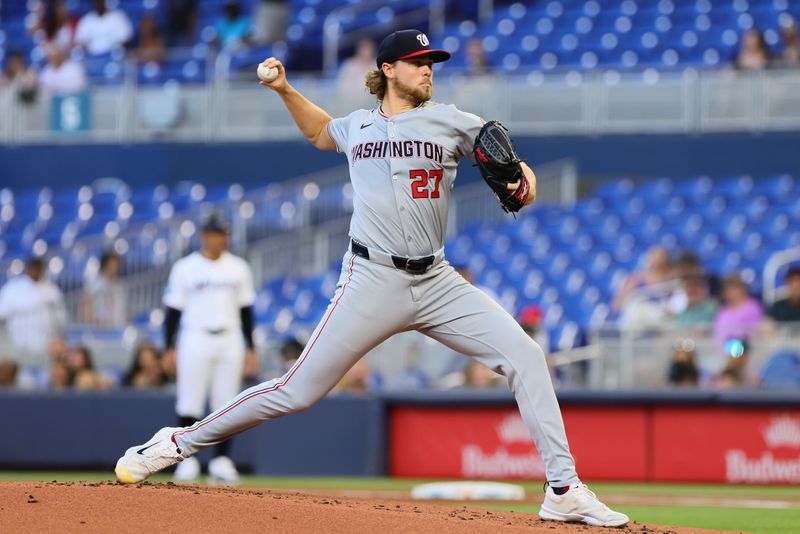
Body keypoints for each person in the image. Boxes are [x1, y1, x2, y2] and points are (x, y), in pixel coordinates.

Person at [115, 29, 628, 528]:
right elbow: (321, 131)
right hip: (371, 277)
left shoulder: (451, 121)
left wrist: (522, 182)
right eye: (418, 62)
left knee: (526, 356)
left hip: (437, 280)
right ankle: (176, 443)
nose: (428, 69)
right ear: (388, 69)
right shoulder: (358, 126)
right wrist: (285, 90)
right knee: (296, 391)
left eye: (432, 63)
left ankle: (563, 490)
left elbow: (518, 173)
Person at [160, 212, 258, 485]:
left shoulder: (238, 267)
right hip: (195, 336)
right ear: (204, 235)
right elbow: (172, 312)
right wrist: (168, 348)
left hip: (230, 337)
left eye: (224, 234)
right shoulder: (185, 267)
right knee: (189, 400)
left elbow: (247, 310)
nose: (221, 239)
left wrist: (251, 348)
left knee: (226, 403)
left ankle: (222, 460)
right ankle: (186, 461)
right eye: (216, 233)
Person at [0, 257, 67, 365]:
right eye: (32, 268)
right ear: (27, 269)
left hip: (46, 345)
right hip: (18, 344)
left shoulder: (52, 290)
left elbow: (62, 318)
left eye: (37, 268)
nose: (35, 271)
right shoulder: (12, 288)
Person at [613, 245, 676, 332]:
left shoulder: (672, 280)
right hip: (637, 324)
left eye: (660, 257)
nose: (656, 261)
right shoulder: (634, 279)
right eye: (653, 256)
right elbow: (617, 305)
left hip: (662, 324)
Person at [712, 274, 764, 348]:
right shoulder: (723, 310)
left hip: (743, 349)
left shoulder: (753, 307)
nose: (730, 292)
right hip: (721, 349)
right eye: (727, 289)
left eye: (734, 288)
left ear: (743, 289)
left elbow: (754, 331)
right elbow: (716, 331)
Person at [82, 251, 126, 327]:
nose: (114, 268)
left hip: (116, 328)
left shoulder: (119, 287)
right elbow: (87, 304)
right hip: (97, 329)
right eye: (111, 265)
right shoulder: (93, 285)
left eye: (116, 265)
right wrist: (90, 319)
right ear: (105, 265)